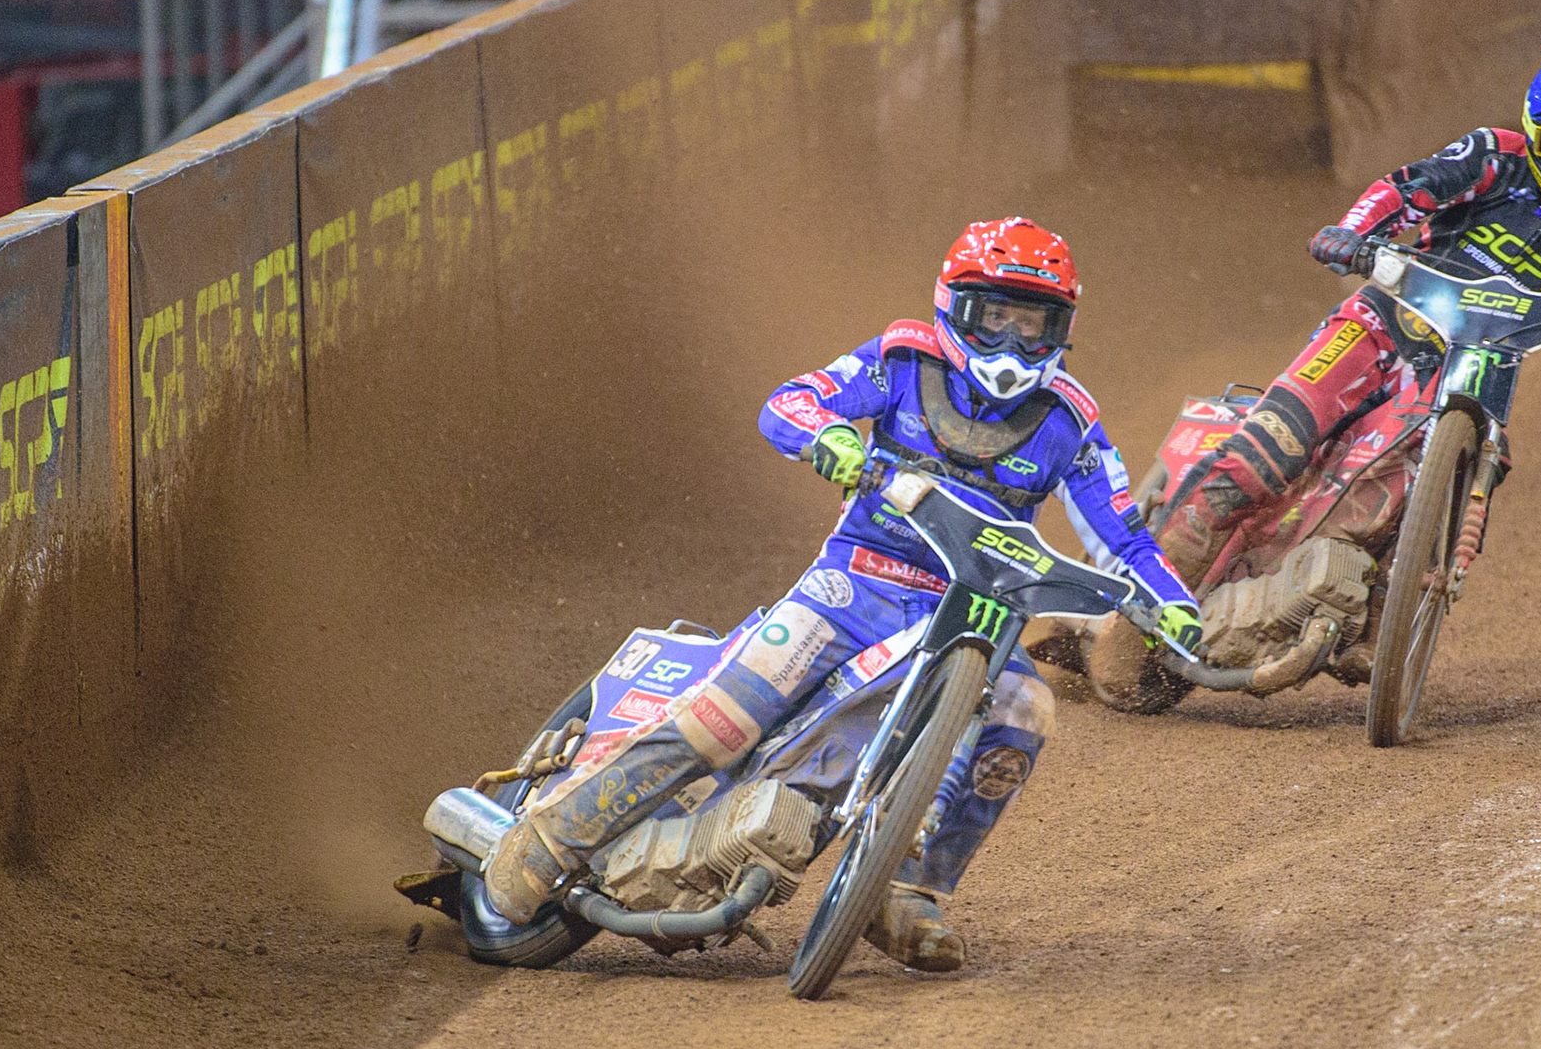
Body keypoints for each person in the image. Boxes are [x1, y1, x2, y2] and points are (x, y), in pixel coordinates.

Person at [482, 217, 1203, 971]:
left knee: (1027, 711)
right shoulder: (899, 360)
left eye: (1034, 326)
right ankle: (551, 835)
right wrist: (829, 437)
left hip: (970, 606)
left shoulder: (1071, 422)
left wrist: (1173, 602)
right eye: (996, 319)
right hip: (855, 578)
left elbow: (1122, 535)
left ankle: (909, 894)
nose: (1014, 345)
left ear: (1062, 329)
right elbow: (790, 401)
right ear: (955, 307)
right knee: (728, 716)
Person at [1173, 48, 1541, 575]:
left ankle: (1383, 613)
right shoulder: (1494, 156)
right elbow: (1408, 188)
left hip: (1473, 368)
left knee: (1469, 467)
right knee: (1267, 452)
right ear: (1537, 136)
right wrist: (1353, 233)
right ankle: (1149, 589)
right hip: (1385, 323)